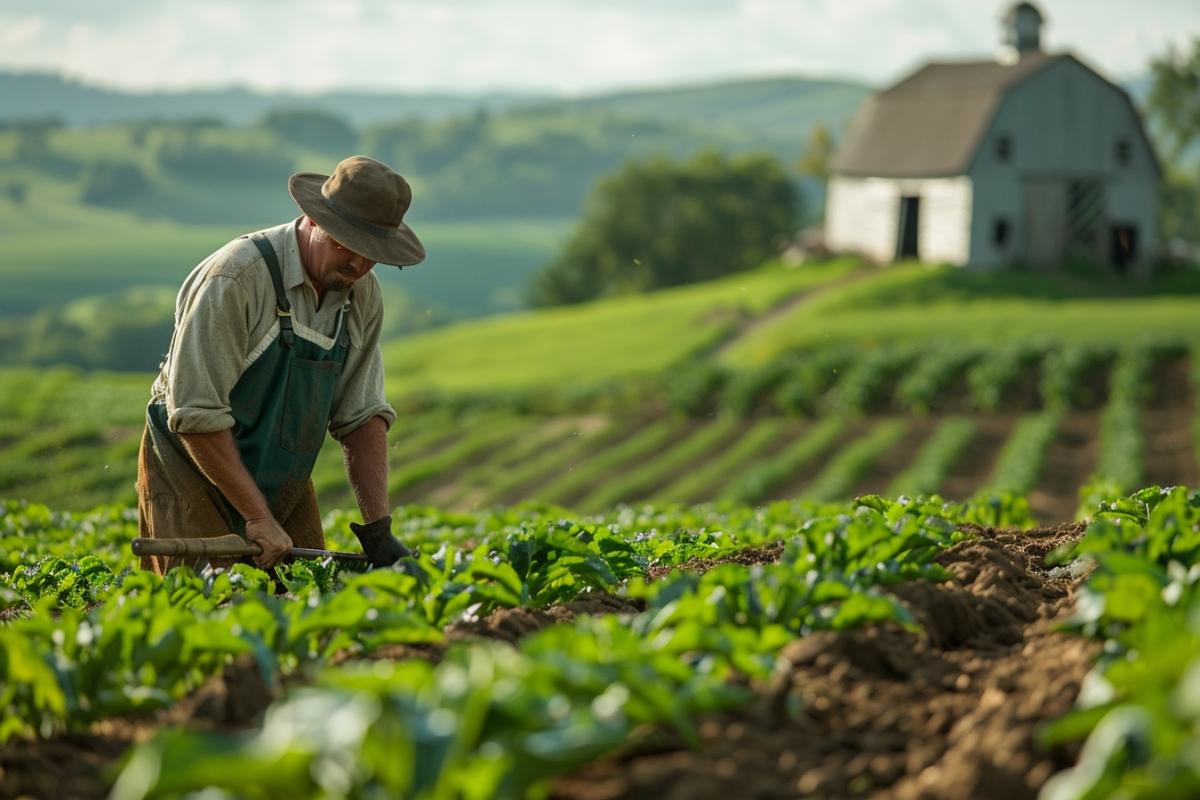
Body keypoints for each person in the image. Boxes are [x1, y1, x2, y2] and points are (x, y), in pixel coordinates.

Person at [137, 155, 422, 574]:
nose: (359, 265)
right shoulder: (235, 279)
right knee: (205, 602)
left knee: (305, 594)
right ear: (314, 220)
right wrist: (257, 516)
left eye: (372, 254)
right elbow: (196, 413)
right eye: (347, 245)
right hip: (194, 470)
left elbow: (361, 416)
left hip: (283, 477)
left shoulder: (360, 294)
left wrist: (378, 529)